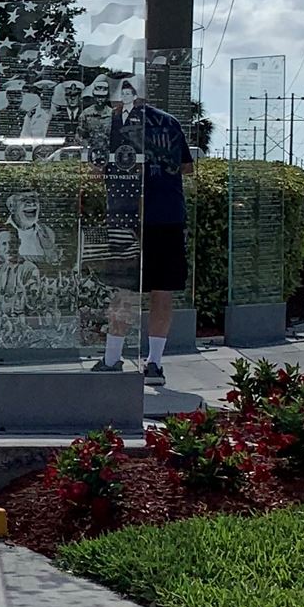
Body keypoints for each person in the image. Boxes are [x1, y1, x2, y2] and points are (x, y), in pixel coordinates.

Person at [103, 78, 193, 384]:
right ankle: (154, 362)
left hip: (127, 214)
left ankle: (112, 358)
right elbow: (186, 166)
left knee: (123, 287)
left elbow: (101, 166)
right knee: (162, 290)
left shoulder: (115, 123)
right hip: (168, 213)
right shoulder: (169, 122)